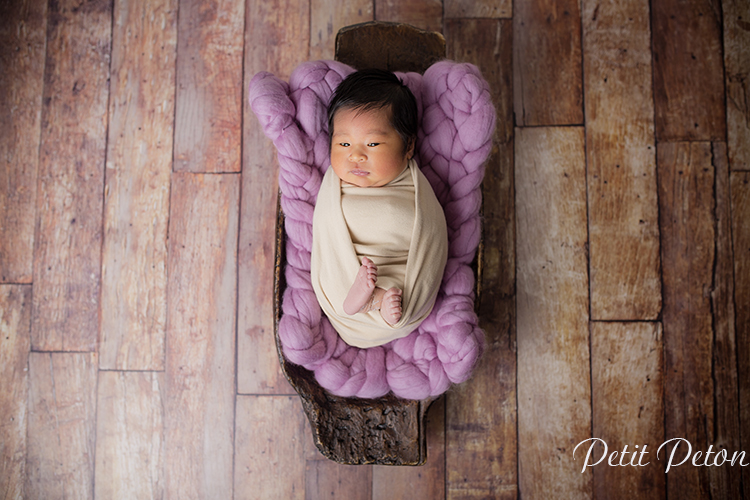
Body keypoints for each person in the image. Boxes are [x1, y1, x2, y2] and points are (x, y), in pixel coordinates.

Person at [310, 69, 448, 348]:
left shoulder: (415, 186)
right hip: (349, 269)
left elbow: (433, 236)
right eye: (343, 143)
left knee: (400, 289)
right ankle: (359, 301)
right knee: (342, 278)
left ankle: (381, 301)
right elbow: (326, 238)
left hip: (400, 267)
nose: (356, 155)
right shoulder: (335, 186)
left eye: (373, 143)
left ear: (408, 146)